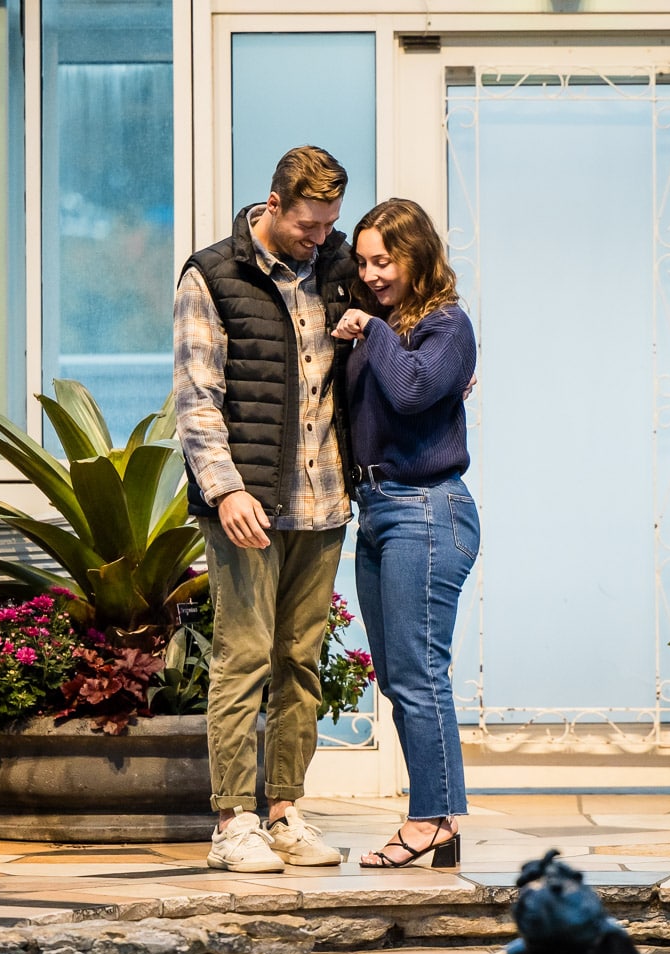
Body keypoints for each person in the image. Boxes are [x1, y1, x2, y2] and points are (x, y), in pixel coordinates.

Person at [173, 146, 357, 873]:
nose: (321, 237)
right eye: (310, 224)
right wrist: (226, 489)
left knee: (301, 663)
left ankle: (284, 812)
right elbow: (196, 397)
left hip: (327, 501)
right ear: (275, 204)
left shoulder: (339, 267)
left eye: (329, 225)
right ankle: (232, 822)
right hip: (246, 505)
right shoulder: (213, 274)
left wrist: (444, 363)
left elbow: (402, 313)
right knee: (243, 659)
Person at [331, 198, 479, 869]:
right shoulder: (386, 326)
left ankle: (430, 819)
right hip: (378, 509)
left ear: (418, 255)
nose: (372, 273)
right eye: (363, 262)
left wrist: (373, 331)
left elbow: (415, 392)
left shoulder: (447, 324)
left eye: (384, 260)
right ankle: (439, 814)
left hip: (425, 507)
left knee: (421, 675)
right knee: (399, 676)